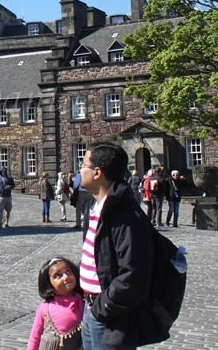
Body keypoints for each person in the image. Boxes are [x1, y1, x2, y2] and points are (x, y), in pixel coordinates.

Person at [78, 142, 155, 350]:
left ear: (97, 172)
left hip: (109, 317)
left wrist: (102, 307)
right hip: (91, 309)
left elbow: (133, 274)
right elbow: (97, 258)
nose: (79, 170)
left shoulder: (124, 215)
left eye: (83, 165)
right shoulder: (94, 208)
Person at [26, 256, 84, 350]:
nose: (65, 277)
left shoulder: (81, 302)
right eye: (58, 276)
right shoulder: (45, 307)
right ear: (49, 284)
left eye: (68, 271)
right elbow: (35, 335)